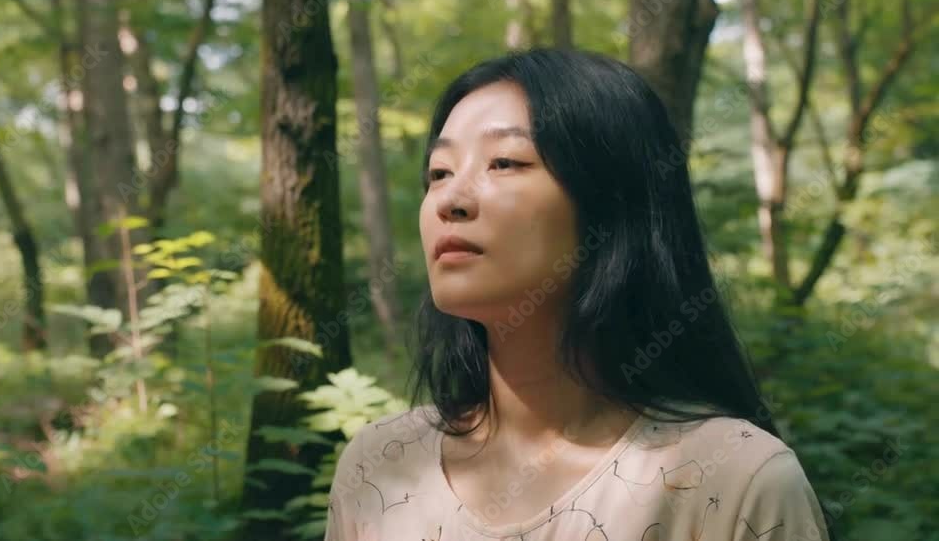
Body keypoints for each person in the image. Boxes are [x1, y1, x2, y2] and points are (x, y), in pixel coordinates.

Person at [323, 48, 831, 541]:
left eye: (504, 162)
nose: (450, 199)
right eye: (439, 172)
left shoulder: (734, 481)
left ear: (612, 206)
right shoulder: (379, 468)